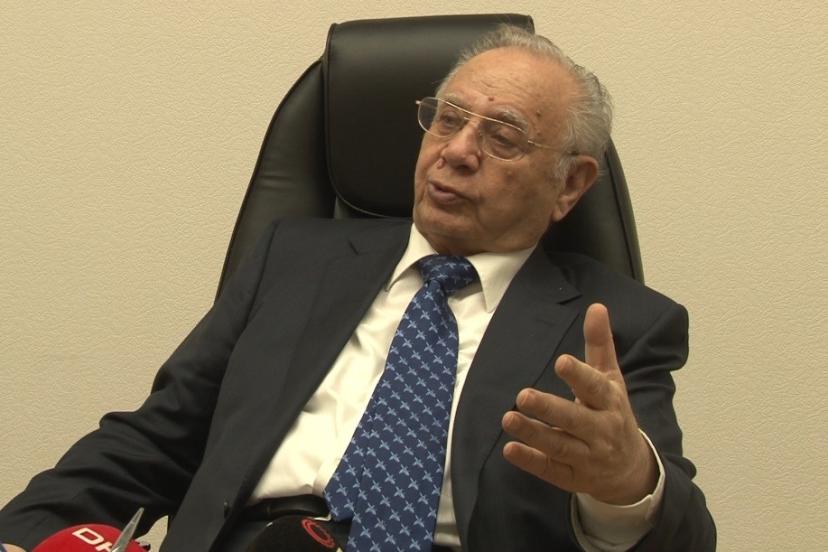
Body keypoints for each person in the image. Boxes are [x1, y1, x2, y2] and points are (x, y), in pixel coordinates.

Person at [0, 25, 715, 551]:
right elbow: (157, 438)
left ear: (571, 185)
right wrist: (28, 534)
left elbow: (683, 538)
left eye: (502, 137)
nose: (456, 151)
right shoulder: (294, 259)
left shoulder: (617, 324)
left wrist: (627, 483)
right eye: (448, 118)